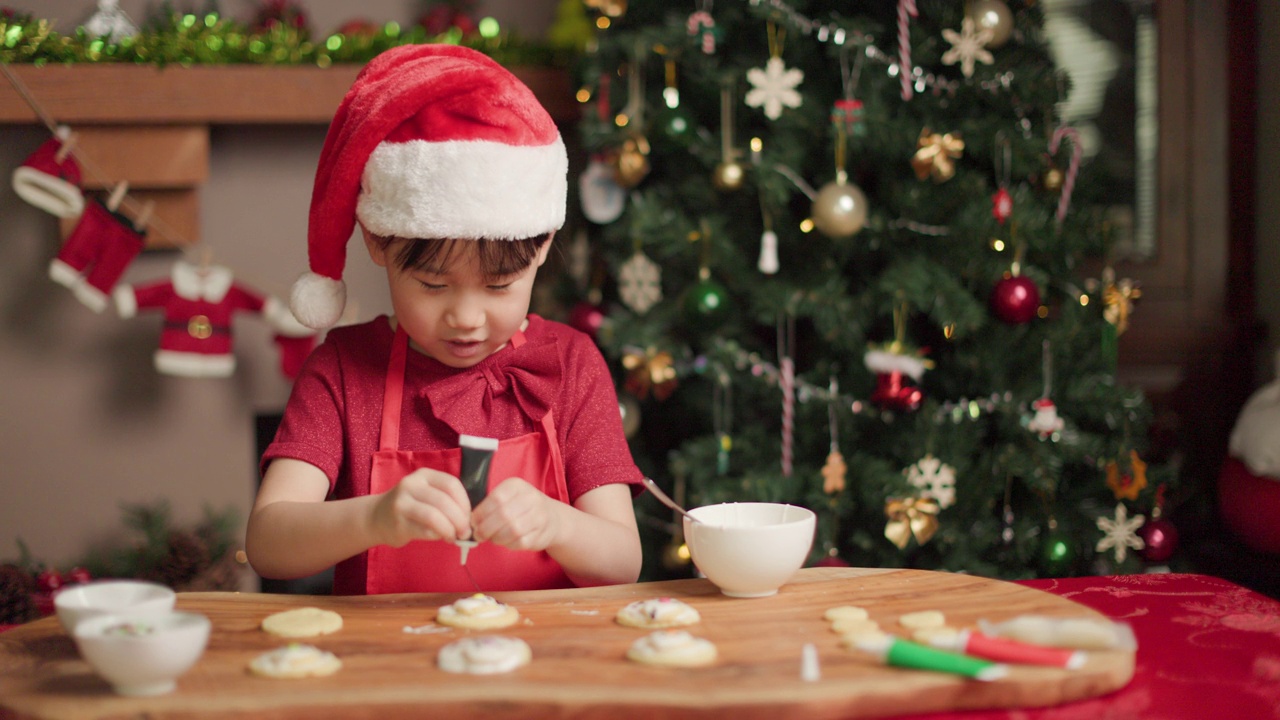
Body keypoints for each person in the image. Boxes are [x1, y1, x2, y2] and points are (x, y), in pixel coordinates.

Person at [245, 44, 644, 595]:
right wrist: (375, 518)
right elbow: (268, 544)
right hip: (390, 669)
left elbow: (623, 562)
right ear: (378, 242)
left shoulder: (571, 366)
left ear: (544, 246)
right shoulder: (341, 370)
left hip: (542, 665)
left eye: (500, 287)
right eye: (433, 286)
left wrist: (558, 523)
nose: (466, 317)